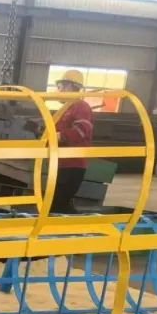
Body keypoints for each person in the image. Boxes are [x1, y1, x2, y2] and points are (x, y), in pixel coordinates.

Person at [51, 69, 93, 214]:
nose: (58, 91)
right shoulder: (65, 109)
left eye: (60, 87)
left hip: (73, 164)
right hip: (61, 163)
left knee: (58, 204)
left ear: (69, 87)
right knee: (56, 204)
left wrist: (59, 136)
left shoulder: (81, 106)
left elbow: (81, 131)